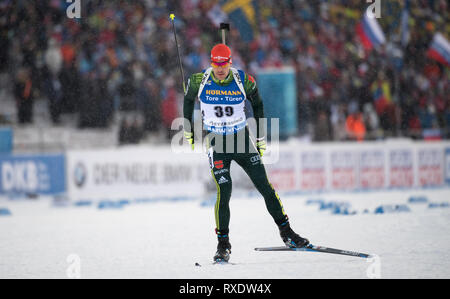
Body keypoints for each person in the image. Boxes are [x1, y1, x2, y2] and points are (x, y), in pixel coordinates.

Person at [183, 44, 309, 263]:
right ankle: (223, 245)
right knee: (224, 191)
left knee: (265, 187)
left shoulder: (243, 80)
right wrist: (187, 128)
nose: (220, 68)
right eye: (216, 63)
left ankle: (287, 233)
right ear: (211, 62)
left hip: (242, 140)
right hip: (217, 143)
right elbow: (187, 101)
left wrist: (260, 137)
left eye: (224, 63)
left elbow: (258, 104)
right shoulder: (198, 81)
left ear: (230, 62)